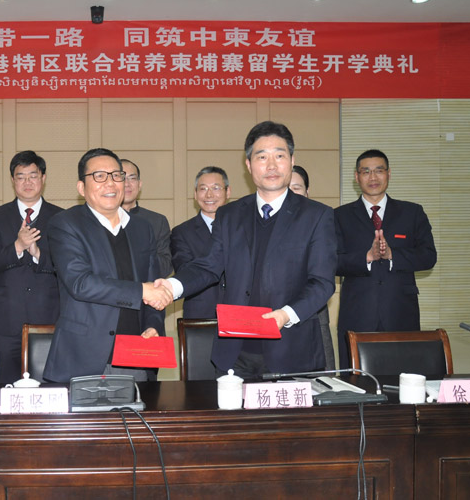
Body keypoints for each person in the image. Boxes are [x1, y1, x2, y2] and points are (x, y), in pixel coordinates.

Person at [163, 121, 336, 378]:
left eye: (279, 156)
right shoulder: (229, 214)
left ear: (291, 161)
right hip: (235, 352)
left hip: (291, 350)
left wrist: (285, 315)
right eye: (262, 157)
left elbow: (322, 283)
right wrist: (171, 287)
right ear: (248, 165)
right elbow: (208, 267)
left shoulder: (317, 216)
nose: (271, 165)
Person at [42, 148, 169, 383]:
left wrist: (154, 325)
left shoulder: (143, 228)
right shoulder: (65, 224)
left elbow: (153, 284)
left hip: (134, 355)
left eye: (116, 175)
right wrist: (141, 291)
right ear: (81, 187)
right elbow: (80, 283)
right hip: (84, 356)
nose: (110, 183)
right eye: (99, 176)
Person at [335, 149, 437, 368]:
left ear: (389, 174)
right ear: (356, 177)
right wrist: (366, 257)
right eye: (366, 171)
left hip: (401, 312)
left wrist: (393, 255)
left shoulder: (412, 213)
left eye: (379, 170)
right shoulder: (339, 216)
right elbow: (332, 261)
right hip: (357, 313)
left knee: (404, 375)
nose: (373, 177)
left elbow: (428, 256)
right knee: (356, 378)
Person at [0, 151, 63, 384]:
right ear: (12, 180)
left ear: (43, 178)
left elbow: (68, 267)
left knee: (48, 387)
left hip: (50, 315)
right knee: (9, 387)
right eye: (21, 177)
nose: (27, 182)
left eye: (33, 176)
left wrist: (38, 254)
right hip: (6, 317)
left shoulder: (61, 217)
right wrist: (17, 246)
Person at [169, 166, 231, 319]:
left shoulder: (242, 228)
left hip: (239, 311)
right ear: (195, 194)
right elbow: (185, 270)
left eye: (216, 188)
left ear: (227, 192)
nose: (209, 194)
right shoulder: (181, 232)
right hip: (201, 314)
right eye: (203, 189)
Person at [290, 165, 335, 370]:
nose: (291, 194)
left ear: (307, 192)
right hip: (275, 317)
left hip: (313, 314)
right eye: (286, 188)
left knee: (320, 379)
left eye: (296, 188)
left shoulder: (320, 220)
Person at [120, 159, 173, 278]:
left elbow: (165, 266)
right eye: (122, 178)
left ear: (139, 185)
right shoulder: (102, 218)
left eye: (132, 178)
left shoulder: (157, 221)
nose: (127, 184)